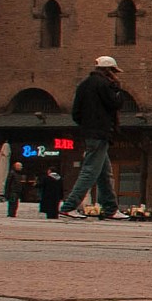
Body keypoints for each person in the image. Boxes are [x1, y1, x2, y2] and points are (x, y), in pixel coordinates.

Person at [59, 56, 127, 216]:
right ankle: (69, 206)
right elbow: (116, 103)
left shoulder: (83, 85)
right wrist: (118, 89)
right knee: (89, 171)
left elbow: (76, 113)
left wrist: (87, 125)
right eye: (114, 72)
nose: (116, 75)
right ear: (108, 71)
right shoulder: (105, 85)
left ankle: (110, 208)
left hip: (89, 132)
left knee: (104, 173)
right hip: (101, 133)